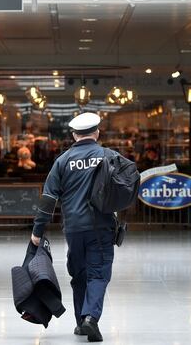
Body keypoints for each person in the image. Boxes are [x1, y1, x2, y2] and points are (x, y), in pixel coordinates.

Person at [31, 112, 116, 342]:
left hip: (74, 228)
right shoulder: (109, 156)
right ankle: (91, 319)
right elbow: (126, 187)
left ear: (73, 134)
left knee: (79, 274)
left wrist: (37, 231)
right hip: (102, 227)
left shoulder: (63, 161)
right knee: (98, 274)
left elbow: (48, 199)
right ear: (97, 132)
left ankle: (81, 322)